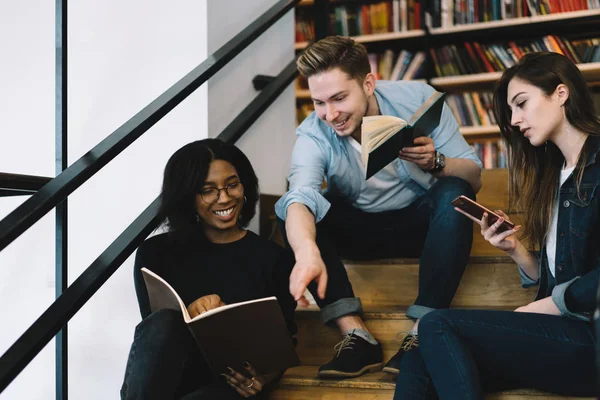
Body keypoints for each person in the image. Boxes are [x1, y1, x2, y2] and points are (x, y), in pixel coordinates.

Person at [274, 36, 483, 378]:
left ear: (368, 83)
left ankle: (421, 333)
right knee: (292, 210)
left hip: (424, 225)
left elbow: (474, 178)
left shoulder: (417, 99)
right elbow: (301, 193)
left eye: (339, 98)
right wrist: (306, 250)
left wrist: (436, 161)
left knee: (455, 189)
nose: (331, 114)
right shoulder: (314, 133)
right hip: (361, 229)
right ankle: (356, 336)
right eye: (319, 103)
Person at [395, 52, 599, 399]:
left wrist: (550, 304)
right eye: (511, 111)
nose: (516, 120)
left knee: (435, 324)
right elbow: (563, 274)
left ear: (561, 94)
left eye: (521, 104)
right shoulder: (556, 175)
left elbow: (574, 291)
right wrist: (514, 250)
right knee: (418, 356)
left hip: (589, 341)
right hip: (560, 338)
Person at [120, 139, 297, 399]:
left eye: (232, 185)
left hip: (227, 388)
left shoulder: (274, 259)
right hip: (166, 383)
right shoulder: (156, 252)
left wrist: (261, 378)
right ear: (187, 197)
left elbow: (283, 343)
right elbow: (155, 338)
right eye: (208, 190)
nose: (224, 198)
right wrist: (189, 316)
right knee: (164, 323)